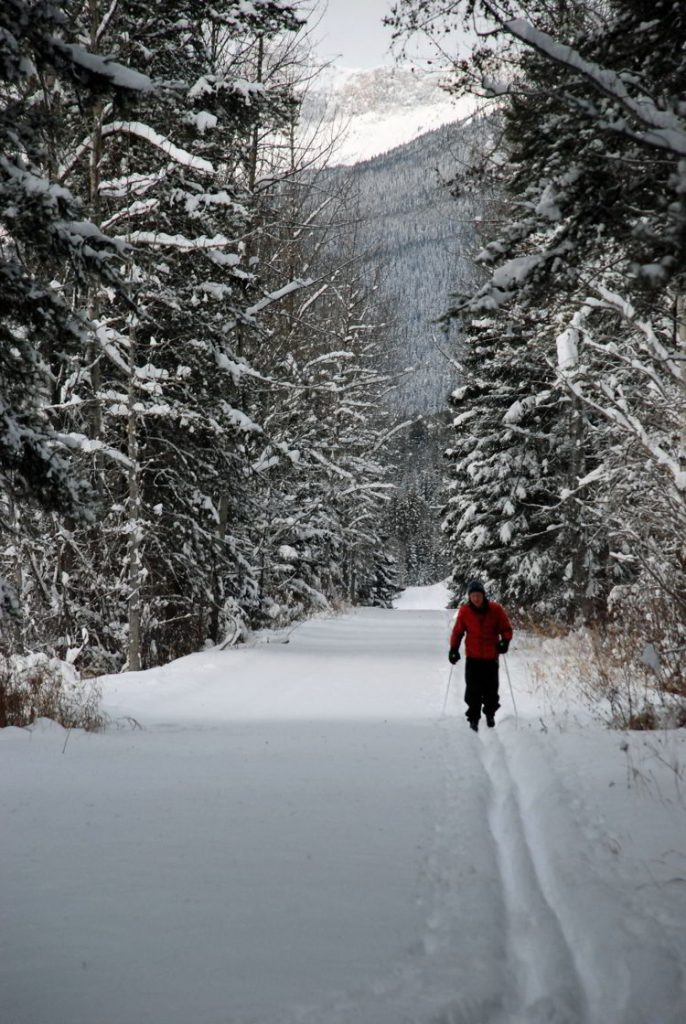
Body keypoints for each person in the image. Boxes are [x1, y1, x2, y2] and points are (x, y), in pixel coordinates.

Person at [448, 580, 513, 732]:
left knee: (491, 690)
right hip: (473, 657)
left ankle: (490, 714)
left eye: (478, 595)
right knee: (473, 690)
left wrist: (505, 642)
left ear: (483, 595)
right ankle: (473, 718)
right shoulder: (465, 611)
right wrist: (453, 649)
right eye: (473, 596)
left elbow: (506, 628)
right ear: (469, 597)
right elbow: (458, 632)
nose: (476, 599)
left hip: (491, 657)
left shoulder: (495, 610)